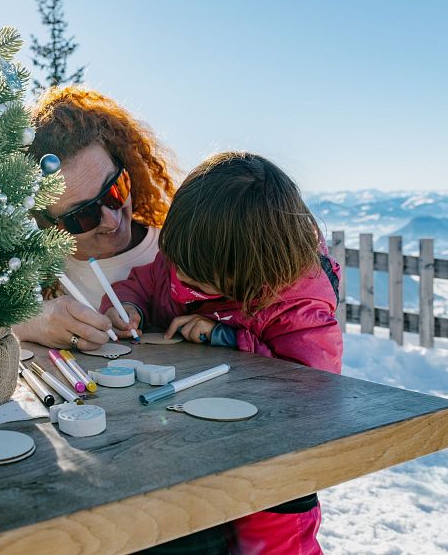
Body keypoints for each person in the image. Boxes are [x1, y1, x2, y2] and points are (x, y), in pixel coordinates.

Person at [103, 151, 343, 554]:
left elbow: (311, 387)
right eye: (176, 265)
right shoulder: (187, 258)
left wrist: (227, 338)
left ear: (253, 272)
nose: (179, 280)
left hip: (271, 469)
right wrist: (128, 306)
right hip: (197, 442)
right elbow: (143, 283)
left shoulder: (297, 306)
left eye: (197, 281)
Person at [14, 86, 180, 350]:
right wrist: (32, 322)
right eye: (83, 215)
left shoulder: (183, 250)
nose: (112, 221)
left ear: (127, 168)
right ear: (44, 223)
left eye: (115, 189)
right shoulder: (29, 274)